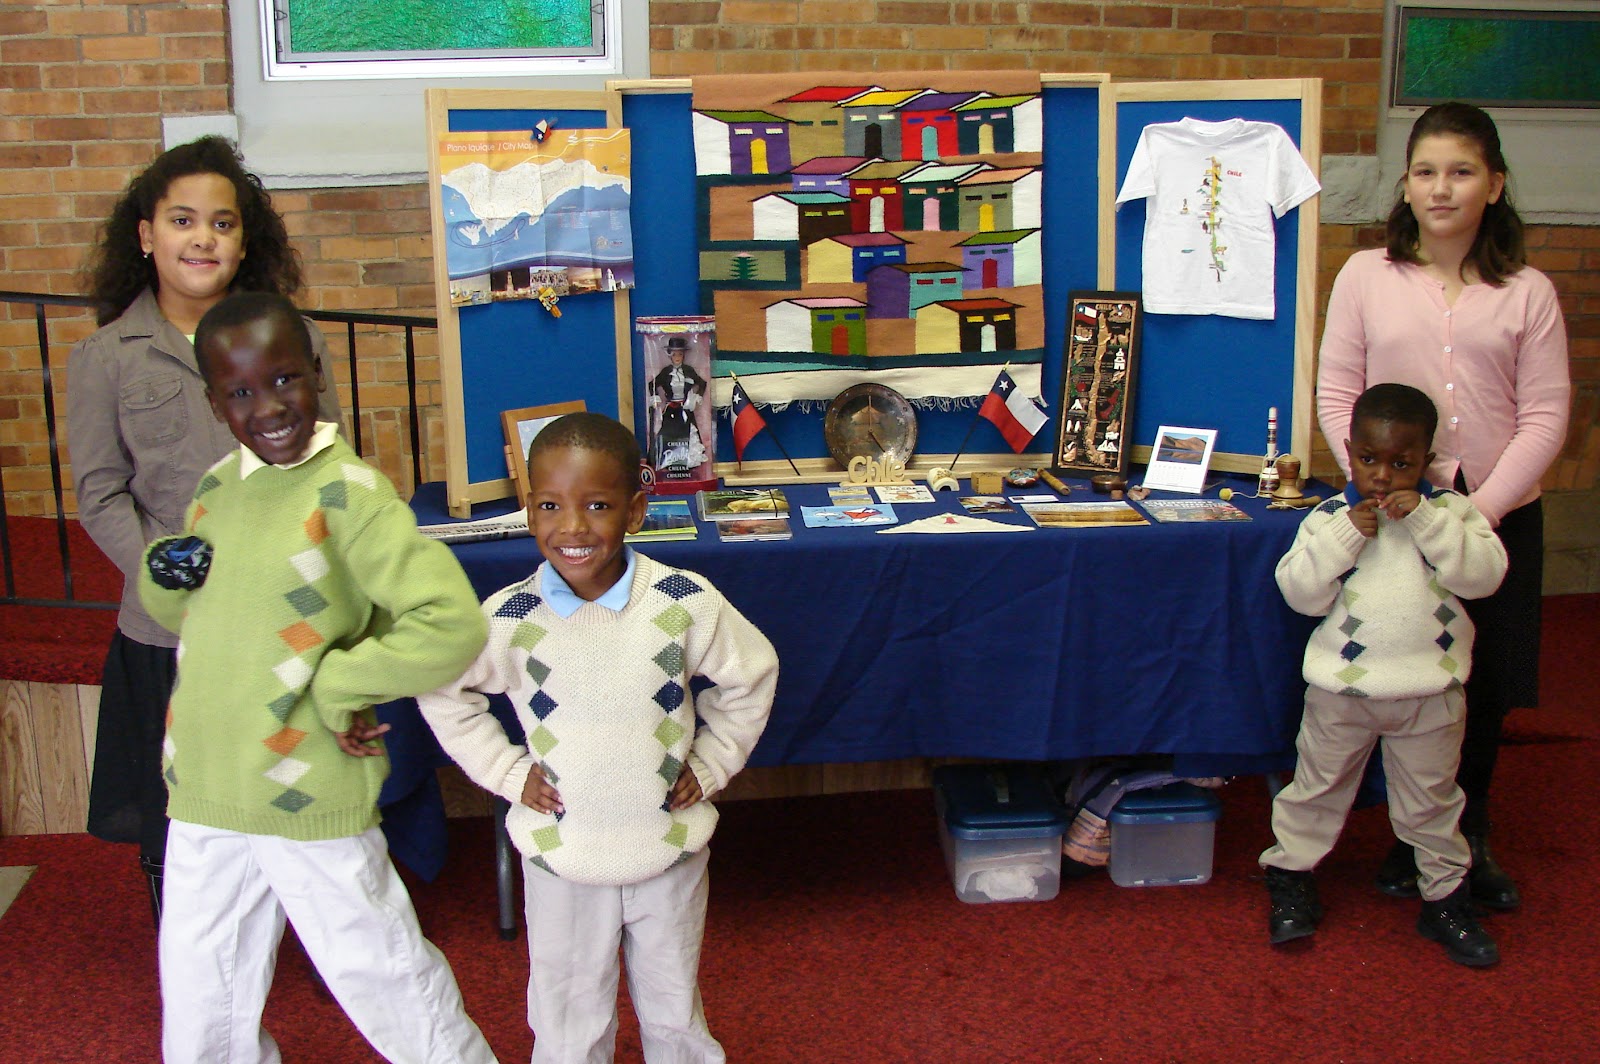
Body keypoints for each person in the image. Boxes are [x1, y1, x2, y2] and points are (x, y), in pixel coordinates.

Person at [137, 292, 496, 1063]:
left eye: (284, 379)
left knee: (382, 972)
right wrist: (163, 576)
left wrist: (340, 683)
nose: (269, 407)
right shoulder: (216, 490)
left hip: (302, 783)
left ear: (316, 375)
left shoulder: (349, 494)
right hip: (206, 783)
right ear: (215, 403)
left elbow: (451, 623)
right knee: (201, 994)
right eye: (241, 391)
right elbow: (195, 616)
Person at [418, 412, 779, 1064]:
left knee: (673, 1010)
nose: (573, 527)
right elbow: (444, 691)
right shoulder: (509, 617)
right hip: (562, 859)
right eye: (550, 505)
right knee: (567, 1017)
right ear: (529, 511)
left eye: (598, 505)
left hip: (668, 851)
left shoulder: (683, 602)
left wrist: (713, 761)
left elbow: (751, 675)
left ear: (635, 510)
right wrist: (507, 773)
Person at [67, 135, 343, 924]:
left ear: (244, 241)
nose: (203, 239)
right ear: (146, 234)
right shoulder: (105, 359)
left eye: (223, 223)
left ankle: (310, 929)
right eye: (182, 220)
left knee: (296, 790)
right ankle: (192, 942)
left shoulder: (294, 338)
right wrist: (176, 580)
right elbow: (100, 495)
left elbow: (331, 463)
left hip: (286, 612)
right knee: (182, 813)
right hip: (173, 630)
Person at [1316, 102, 1570, 910]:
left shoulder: (1528, 293)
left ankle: (1469, 836)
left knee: (1482, 679)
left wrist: (1477, 515)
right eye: (1424, 172)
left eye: (1460, 172)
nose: (1440, 188)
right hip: (1393, 511)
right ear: (1406, 185)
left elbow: (1546, 416)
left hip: (1496, 512)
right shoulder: (1366, 275)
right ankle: (1406, 837)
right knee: (1406, 669)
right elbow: (1337, 395)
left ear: (1493, 184)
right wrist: (1379, 488)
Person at [1261, 383, 1508, 966]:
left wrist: (1427, 523)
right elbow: (1299, 594)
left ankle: (1445, 898)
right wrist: (1347, 536)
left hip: (1431, 692)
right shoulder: (1328, 517)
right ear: (1349, 452)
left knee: (1433, 802)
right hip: (1340, 692)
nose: (1382, 476)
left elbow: (1484, 577)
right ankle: (1291, 877)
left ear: (1427, 460)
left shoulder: (1451, 513)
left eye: (1402, 463)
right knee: (1316, 791)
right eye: (1369, 459)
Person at [649, 335, 709, 471]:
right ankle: (668, 460)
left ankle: (688, 461)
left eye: (680, 354)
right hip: (670, 408)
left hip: (685, 408)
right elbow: (652, 384)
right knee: (668, 433)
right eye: (674, 354)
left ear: (684, 355)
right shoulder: (666, 372)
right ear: (670, 355)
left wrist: (697, 397)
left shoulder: (688, 370)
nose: (677, 357)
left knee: (688, 432)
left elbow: (702, 383)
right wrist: (655, 397)